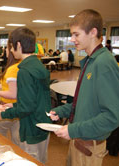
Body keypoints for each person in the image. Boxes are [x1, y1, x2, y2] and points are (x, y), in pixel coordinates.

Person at [50, 9, 119, 166]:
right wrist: (61, 111)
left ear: (93, 32)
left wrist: (73, 130)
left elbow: (112, 117)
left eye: (76, 34)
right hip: (78, 141)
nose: (72, 39)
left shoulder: (104, 63)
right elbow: (84, 102)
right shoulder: (90, 60)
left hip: (89, 147)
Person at [0, 27, 51, 164]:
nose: (11, 51)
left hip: (31, 127)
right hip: (43, 124)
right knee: (41, 160)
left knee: (31, 160)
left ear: (18, 45)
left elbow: (26, 107)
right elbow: (34, 99)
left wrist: (3, 115)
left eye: (12, 47)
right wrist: (13, 104)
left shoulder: (24, 71)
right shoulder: (39, 65)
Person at [0, 45, 21, 146]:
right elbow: (13, 86)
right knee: (16, 138)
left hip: (7, 106)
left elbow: (13, 93)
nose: (6, 50)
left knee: (0, 136)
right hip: (17, 106)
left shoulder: (13, 69)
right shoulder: (16, 66)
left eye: (8, 48)